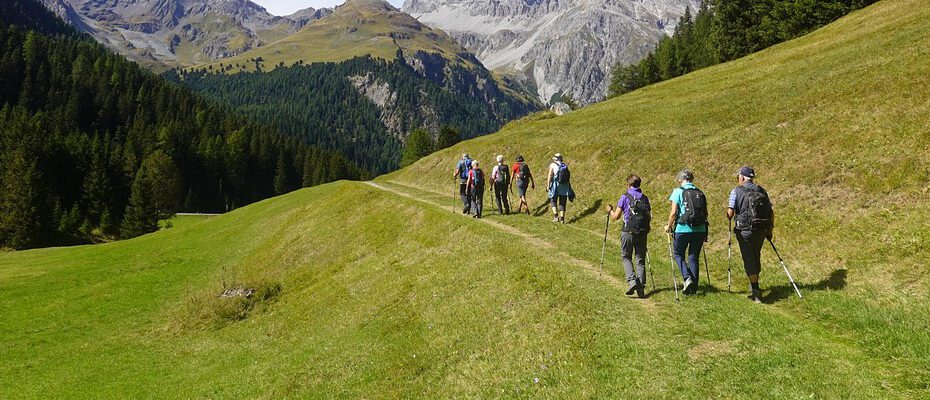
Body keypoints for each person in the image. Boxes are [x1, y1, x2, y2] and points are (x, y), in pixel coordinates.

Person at [726, 166, 774, 303]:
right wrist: (770, 230)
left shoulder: (736, 191)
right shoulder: (762, 190)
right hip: (760, 229)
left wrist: (728, 215)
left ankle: (756, 290)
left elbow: (730, 213)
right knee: (755, 255)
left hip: (744, 230)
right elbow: (770, 212)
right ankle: (755, 285)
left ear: (741, 177)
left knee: (748, 258)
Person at [606, 175, 652, 298]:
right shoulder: (645, 198)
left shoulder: (624, 197)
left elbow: (616, 216)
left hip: (627, 232)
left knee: (626, 257)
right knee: (640, 260)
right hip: (642, 232)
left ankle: (632, 281)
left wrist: (609, 210)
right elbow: (649, 216)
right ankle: (641, 287)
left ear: (628, 184)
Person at [664, 169, 708, 295]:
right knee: (693, 257)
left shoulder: (678, 191)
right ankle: (693, 288)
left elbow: (673, 212)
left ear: (680, 180)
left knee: (678, 254)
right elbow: (706, 212)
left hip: (682, 228)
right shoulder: (700, 192)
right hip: (700, 229)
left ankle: (687, 278)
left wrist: (668, 226)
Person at [546, 153, 574, 223]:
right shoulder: (564, 165)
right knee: (563, 201)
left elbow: (550, 175)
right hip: (565, 185)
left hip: (556, 184)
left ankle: (556, 217)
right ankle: (562, 219)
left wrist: (548, 185)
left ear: (555, 159)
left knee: (553, 199)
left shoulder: (553, 165)